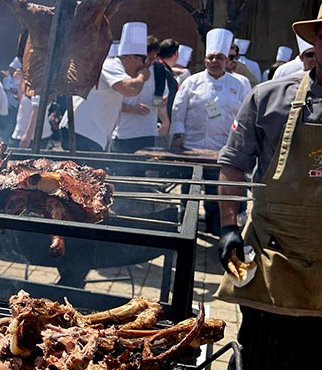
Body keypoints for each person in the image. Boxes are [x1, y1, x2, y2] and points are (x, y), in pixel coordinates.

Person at [215, 6, 322, 370]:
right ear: (317, 40)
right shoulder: (268, 96)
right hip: (272, 252)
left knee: (318, 366)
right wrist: (227, 227)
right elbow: (233, 163)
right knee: (258, 363)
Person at [171, 28, 249, 235]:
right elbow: (178, 110)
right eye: (211, 57)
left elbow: (245, 116)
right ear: (205, 60)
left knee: (217, 193)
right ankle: (186, 229)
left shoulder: (239, 84)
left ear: (227, 61)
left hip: (222, 150)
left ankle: (217, 229)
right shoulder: (191, 82)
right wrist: (177, 135)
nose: (215, 61)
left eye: (220, 58)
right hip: (192, 148)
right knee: (190, 192)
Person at [59, 22, 151, 152]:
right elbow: (130, 89)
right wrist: (142, 76)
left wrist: (133, 109)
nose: (143, 67)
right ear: (131, 57)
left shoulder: (118, 71)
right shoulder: (111, 64)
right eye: (142, 62)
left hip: (90, 134)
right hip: (82, 132)